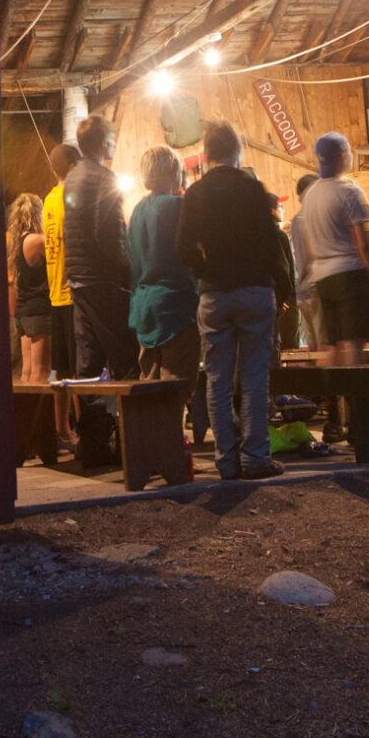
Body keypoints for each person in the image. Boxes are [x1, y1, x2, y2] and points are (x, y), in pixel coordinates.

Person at [176, 118, 293, 480]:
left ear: (207, 153)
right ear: (237, 151)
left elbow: (182, 248)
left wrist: (204, 268)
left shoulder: (195, 193)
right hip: (256, 291)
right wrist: (283, 289)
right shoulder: (253, 188)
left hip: (214, 294)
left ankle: (226, 462)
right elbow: (272, 246)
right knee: (256, 379)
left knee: (217, 380)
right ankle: (256, 459)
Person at [124, 145, 201, 485]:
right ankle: (172, 461)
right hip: (176, 305)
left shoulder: (137, 210)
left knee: (148, 388)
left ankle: (148, 459)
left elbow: (132, 263)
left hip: (143, 307)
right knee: (175, 389)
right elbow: (192, 257)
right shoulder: (179, 206)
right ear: (175, 172)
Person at [296, 131, 369, 367]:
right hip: (351, 275)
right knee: (353, 346)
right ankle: (355, 402)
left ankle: (332, 401)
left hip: (323, 278)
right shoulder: (349, 190)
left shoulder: (310, 195)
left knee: (332, 346)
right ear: (340, 156)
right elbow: (362, 242)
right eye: (347, 151)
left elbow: (308, 245)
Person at [60, 116, 136, 383]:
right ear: (104, 144)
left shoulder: (72, 177)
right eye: (113, 141)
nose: (114, 146)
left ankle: (93, 423)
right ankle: (131, 423)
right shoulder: (104, 178)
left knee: (88, 359)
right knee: (123, 355)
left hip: (78, 279)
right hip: (103, 280)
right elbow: (110, 237)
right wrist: (128, 271)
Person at [40, 141, 79, 385]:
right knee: (79, 369)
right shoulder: (71, 198)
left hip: (55, 292)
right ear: (74, 167)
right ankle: (84, 421)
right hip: (73, 293)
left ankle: (63, 423)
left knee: (62, 369)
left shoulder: (48, 200)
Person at [6, 192, 49, 382]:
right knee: (42, 371)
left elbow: (13, 283)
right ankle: (43, 412)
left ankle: (27, 410)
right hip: (39, 309)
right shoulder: (37, 241)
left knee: (27, 371)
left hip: (22, 311)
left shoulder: (14, 243)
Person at [288, 172, 324, 351]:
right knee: (325, 348)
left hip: (302, 289)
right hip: (317, 287)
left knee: (313, 348)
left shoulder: (295, 220)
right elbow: (313, 253)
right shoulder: (314, 217)